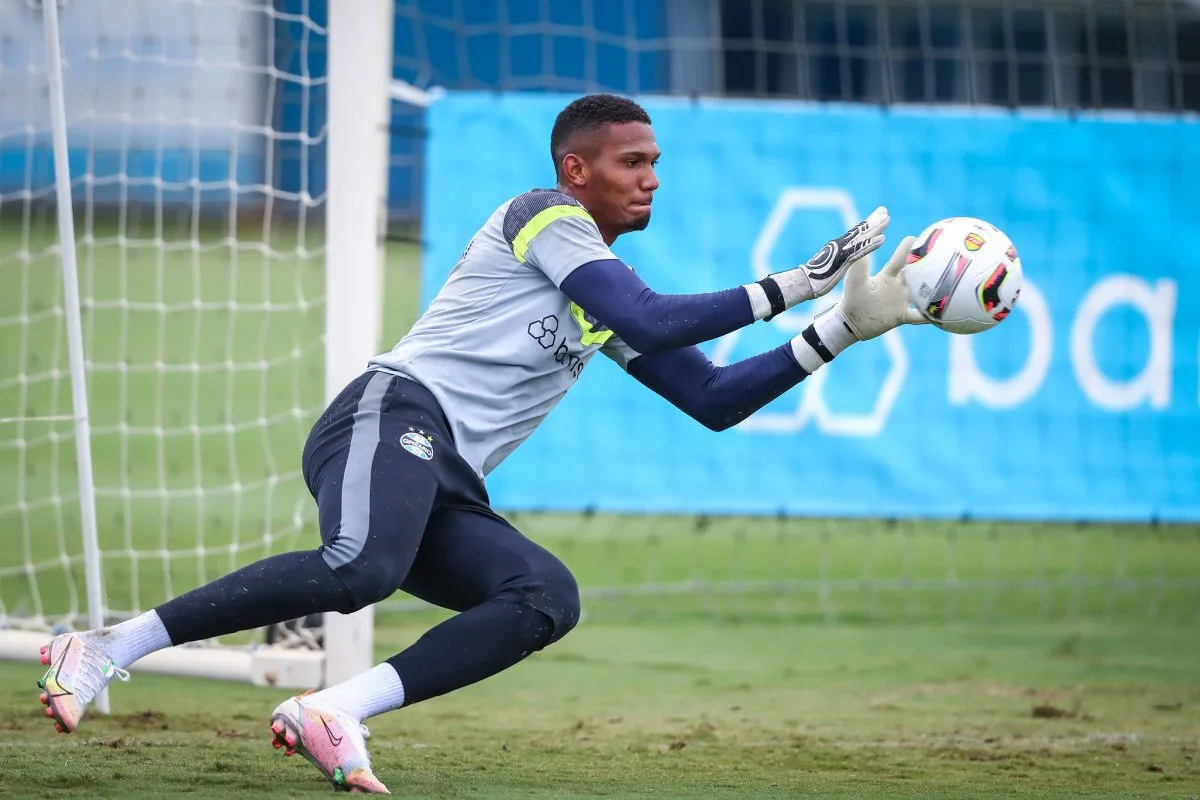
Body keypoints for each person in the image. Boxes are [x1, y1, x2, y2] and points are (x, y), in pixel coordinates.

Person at [35, 93, 927, 793]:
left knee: (545, 596)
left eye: (656, 162)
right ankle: (106, 647)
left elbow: (712, 398)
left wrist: (842, 329)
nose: (652, 178)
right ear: (576, 170)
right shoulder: (545, 215)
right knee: (361, 568)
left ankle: (335, 710)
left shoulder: (599, 287)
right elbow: (653, 320)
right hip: (392, 414)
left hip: (447, 476)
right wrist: (798, 281)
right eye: (633, 162)